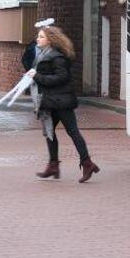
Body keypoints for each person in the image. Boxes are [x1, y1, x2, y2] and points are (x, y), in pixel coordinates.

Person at [29, 25, 99, 182]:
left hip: (61, 101)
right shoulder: (43, 54)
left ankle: (87, 163)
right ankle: (53, 165)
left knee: (73, 132)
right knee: (49, 132)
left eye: (41, 36)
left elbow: (62, 77)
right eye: (38, 36)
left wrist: (37, 76)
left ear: (50, 40)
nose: (37, 39)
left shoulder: (57, 57)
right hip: (49, 101)